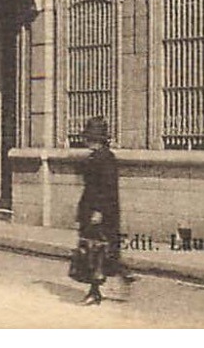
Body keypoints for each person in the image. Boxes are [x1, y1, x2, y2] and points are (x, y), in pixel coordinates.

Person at [76, 116, 132, 304]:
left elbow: (107, 188)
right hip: (92, 210)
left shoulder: (106, 158)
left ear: (97, 139)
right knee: (97, 250)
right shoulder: (95, 157)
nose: (87, 141)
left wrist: (98, 211)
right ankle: (118, 276)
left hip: (101, 212)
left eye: (90, 138)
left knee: (95, 252)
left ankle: (95, 291)